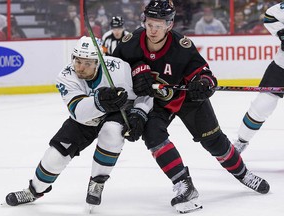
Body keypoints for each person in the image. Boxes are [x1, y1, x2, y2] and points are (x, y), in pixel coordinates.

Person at [113, 0, 270, 214]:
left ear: (170, 24)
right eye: (150, 24)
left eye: (159, 25)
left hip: (188, 99)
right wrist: (134, 73)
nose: (153, 30)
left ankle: (243, 174)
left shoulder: (181, 46)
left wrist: (204, 83)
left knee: (215, 142)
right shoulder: (130, 44)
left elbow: (205, 74)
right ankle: (184, 185)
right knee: (152, 135)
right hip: (156, 103)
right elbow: (112, 73)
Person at [5, 36, 153, 208]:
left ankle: (97, 182)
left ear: (98, 62)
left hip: (115, 114)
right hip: (86, 119)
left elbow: (145, 92)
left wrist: (139, 113)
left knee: (111, 132)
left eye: (87, 63)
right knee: (55, 155)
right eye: (78, 62)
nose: (80, 68)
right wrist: (100, 100)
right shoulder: (66, 76)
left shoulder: (119, 68)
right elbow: (79, 112)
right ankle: (33, 191)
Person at [234, 2, 284, 153]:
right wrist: (282, 32)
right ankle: (241, 141)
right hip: (282, 66)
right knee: (262, 105)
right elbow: (270, 15)